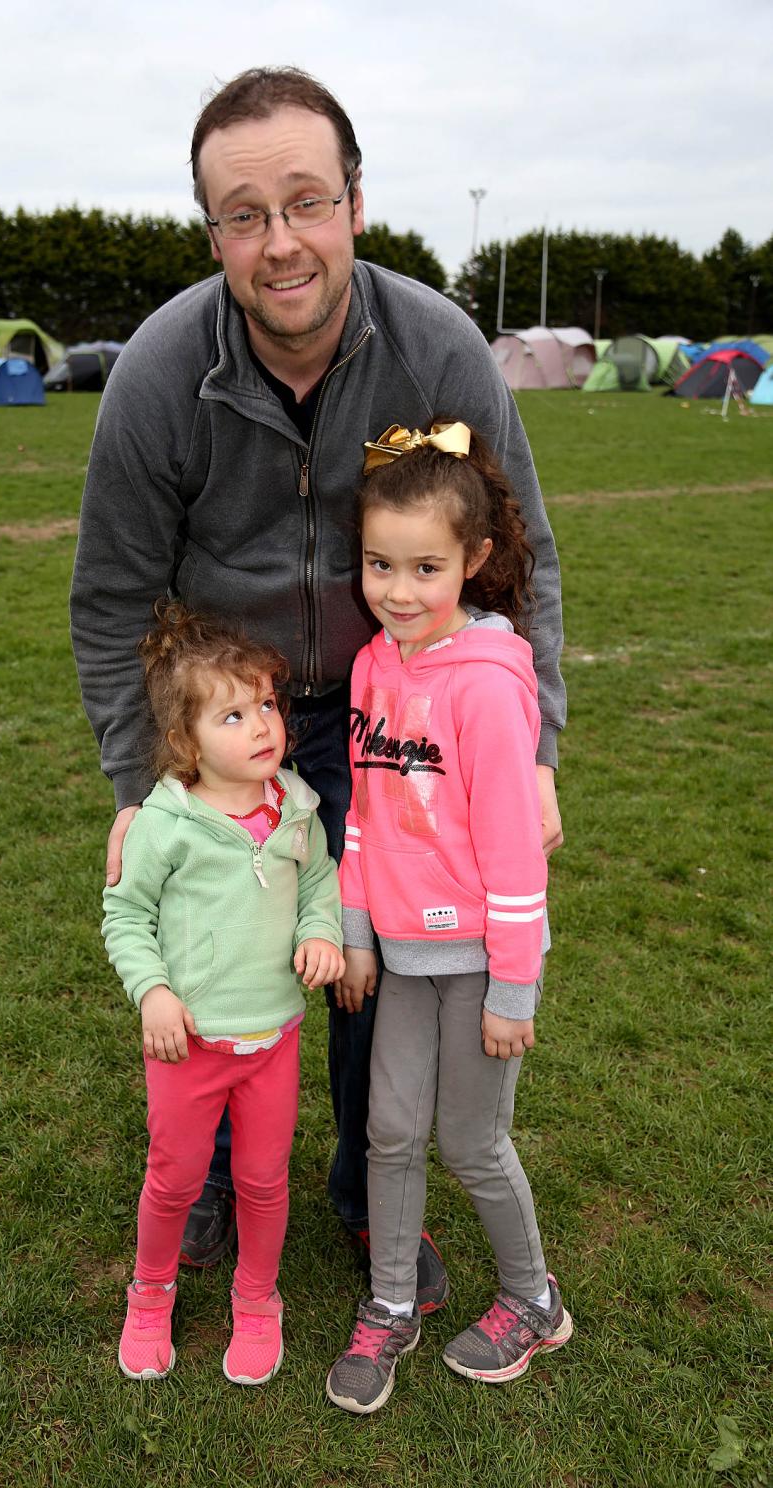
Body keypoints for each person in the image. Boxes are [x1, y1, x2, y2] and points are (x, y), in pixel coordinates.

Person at [70, 66, 566, 1308]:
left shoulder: (439, 345)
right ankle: (218, 1174)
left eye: (306, 200)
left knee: (372, 965)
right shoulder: (157, 373)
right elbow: (113, 592)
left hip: (392, 716)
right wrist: (142, 780)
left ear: (355, 201)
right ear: (212, 232)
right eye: (244, 213)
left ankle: (359, 1191)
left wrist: (538, 749)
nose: (279, 241)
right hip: (226, 725)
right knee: (223, 947)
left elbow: (522, 557)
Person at [325, 421, 572, 1415]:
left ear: (472, 562)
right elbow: (362, 814)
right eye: (378, 563)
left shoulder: (486, 687)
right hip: (398, 954)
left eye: (424, 567)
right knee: (387, 1131)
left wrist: (513, 986)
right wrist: (353, 931)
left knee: (471, 1142)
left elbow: (515, 851)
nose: (396, 588)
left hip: (481, 961)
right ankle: (390, 1303)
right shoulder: (373, 666)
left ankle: (533, 1298)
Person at [102, 602, 344, 1383]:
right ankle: (150, 1293)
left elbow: (320, 891)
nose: (262, 726)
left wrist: (322, 935)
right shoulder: (165, 825)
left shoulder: (297, 807)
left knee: (264, 1180)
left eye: (267, 704)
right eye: (234, 715)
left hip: (272, 1039)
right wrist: (152, 993)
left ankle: (257, 1297)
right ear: (185, 742)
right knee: (173, 1178)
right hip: (188, 1045)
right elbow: (126, 914)